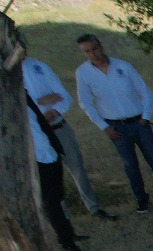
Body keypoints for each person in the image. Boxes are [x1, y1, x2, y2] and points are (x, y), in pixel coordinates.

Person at [74, 34, 153, 213]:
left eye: (94, 48)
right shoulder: (83, 73)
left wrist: (146, 117)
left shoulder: (123, 66)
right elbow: (85, 102)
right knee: (130, 166)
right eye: (87, 51)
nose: (92, 54)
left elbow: (145, 92)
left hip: (139, 123)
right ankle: (142, 199)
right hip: (115, 127)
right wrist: (104, 126)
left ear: (101, 46)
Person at [21, 44, 114, 221]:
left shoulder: (39, 66)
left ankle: (94, 207)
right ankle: (61, 216)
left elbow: (63, 96)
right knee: (49, 175)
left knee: (77, 167)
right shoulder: (7, 74)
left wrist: (53, 110)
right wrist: (40, 101)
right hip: (36, 134)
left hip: (58, 126)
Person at [25, 85, 90, 251]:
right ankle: (67, 244)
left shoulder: (22, 94)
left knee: (58, 196)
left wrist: (54, 147)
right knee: (51, 202)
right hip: (35, 159)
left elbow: (39, 121)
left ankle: (69, 233)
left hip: (49, 151)